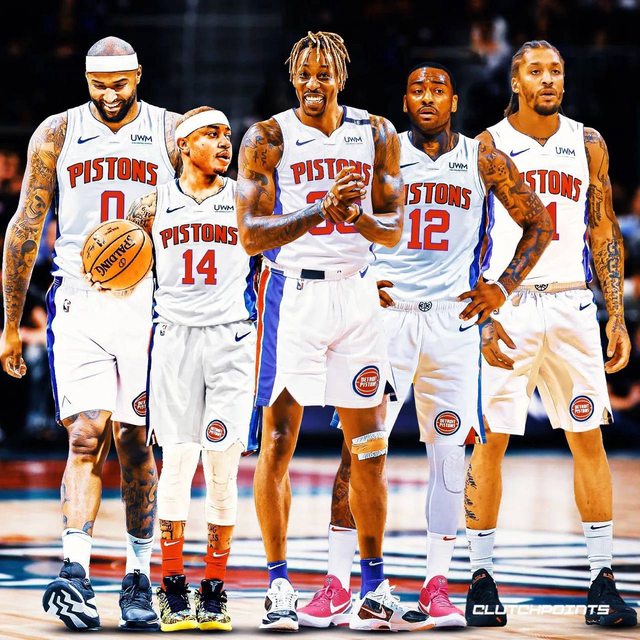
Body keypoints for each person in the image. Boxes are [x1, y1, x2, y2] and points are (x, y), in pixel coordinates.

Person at [297, 62, 553, 629]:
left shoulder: (482, 157)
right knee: (360, 451)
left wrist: (502, 288)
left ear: (454, 101)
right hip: (384, 320)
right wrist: (360, 274)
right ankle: (338, 585)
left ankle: (437, 587)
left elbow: (540, 224)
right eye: (417, 89)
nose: (428, 97)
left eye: (439, 89)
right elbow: (339, 218)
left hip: (451, 323)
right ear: (405, 101)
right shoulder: (380, 151)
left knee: (449, 455)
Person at [236, 31, 432, 632]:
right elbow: (250, 235)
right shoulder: (267, 137)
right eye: (304, 75)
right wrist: (320, 209)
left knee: (368, 445)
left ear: (341, 77)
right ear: (292, 78)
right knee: (278, 442)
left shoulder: (377, 133)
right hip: (292, 294)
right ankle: (278, 585)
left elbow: (394, 230)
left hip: (356, 293)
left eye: (324, 74)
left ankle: (373, 587)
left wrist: (357, 217)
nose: (313, 84)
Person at [0, 36, 180, 631]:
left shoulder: (170, 131)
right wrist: (9, 323)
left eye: (119, 84)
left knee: (135, 442)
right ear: (85, 80)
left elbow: (206, 208)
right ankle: (74, 570)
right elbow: (26, 225)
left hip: (147, 303)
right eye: (98, 85)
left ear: (139, 75)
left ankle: (137, 576)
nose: (109, 94)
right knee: (84, 437)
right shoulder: (57, 133)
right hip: (78, 299)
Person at [464, 39, 638, 629]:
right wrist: (483, 316)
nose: (548, 80)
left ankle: (603, 580)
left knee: (588, 438)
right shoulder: (487, 146)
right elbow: (467, 237)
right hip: (507, 305)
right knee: (490, 441)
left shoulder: (587, 142)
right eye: (536, 71)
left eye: (556, 71)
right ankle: (480, 578)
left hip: (571, 303)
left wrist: (615, 314)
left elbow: (602, 229)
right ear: (515, 81)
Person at [125, 105, 259, 632]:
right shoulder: (151, 204)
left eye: (228, 134)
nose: (225, 143)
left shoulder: (247, 198)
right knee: (177, 462)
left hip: (231, 339)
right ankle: (174, 587)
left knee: (223, 468)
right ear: (183, 144)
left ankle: (215, 590)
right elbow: (124, 274)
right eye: (211, 134)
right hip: (174, 338)